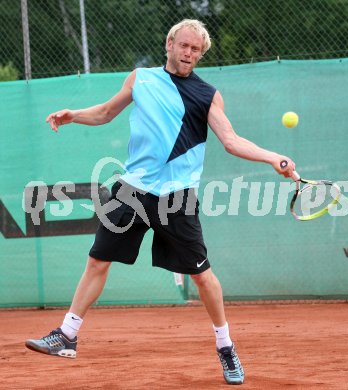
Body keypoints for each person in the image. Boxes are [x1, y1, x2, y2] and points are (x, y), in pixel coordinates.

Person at [25, 19, 296, 385]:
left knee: (202, 276)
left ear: (201, 54)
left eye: (195, 50)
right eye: (183, 46)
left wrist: (272, 157)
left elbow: (230, 140)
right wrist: (74, 116)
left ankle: (226, 347)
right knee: (97, 260)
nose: (188, 54)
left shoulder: (207, 95)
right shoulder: (141, 78)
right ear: (169, 44)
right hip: (132, 189)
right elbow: (106, 112)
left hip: (177, 197)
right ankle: (67, 335)